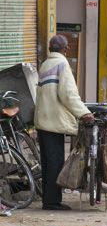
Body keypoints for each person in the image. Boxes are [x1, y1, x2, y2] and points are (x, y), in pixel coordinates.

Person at [34, 35, 94, 211]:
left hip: (43, 120)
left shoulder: (45, 64)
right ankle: (52, 202)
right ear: (65, 49)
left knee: (47, 162)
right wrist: (84, 113)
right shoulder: (62, 64)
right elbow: (68, 94)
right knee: (55, 161)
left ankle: (49, 199)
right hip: (54, 121)